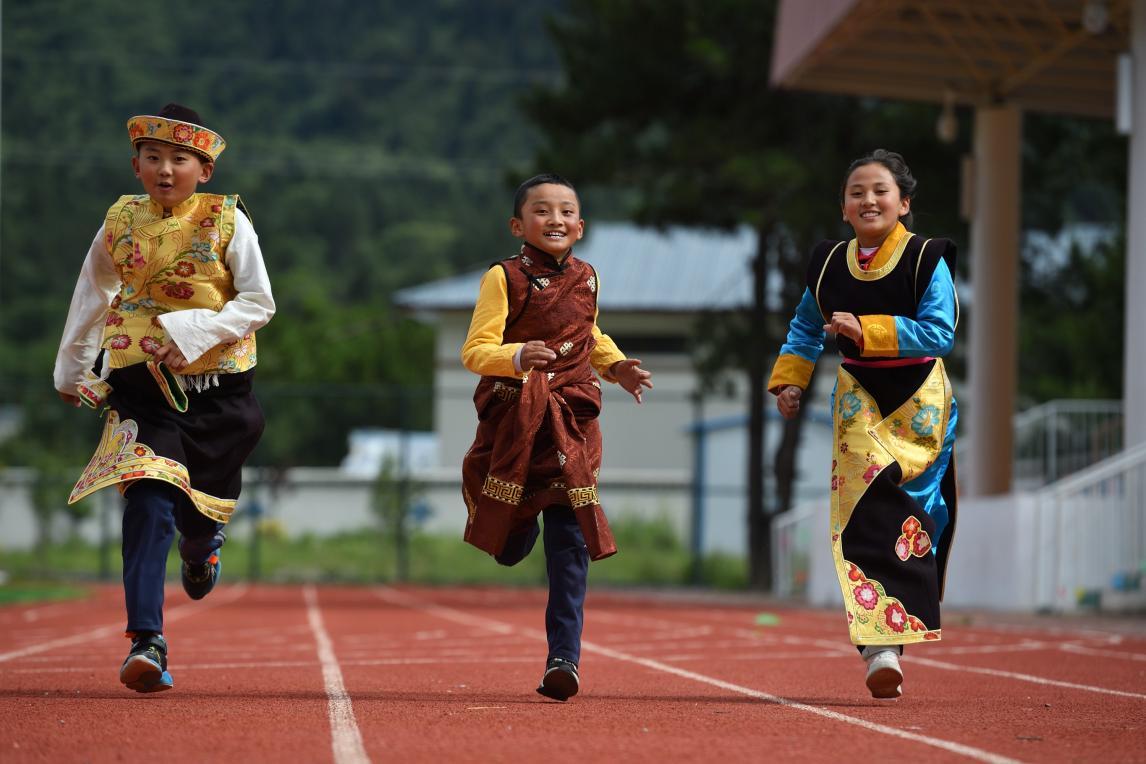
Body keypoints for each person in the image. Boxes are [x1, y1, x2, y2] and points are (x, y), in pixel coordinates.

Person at [53, 103, 275, 693]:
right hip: (141, 385)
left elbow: (258, 303)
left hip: (221, 392)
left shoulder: (229, 221)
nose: (166, 169)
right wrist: (73, 368)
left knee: (198, 515)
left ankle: (201, 549)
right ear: (136, 165)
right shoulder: (119, 221)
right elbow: (91, 291)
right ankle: (147, 639)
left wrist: (194, 332)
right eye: (154, 158)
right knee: (147, 500)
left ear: (204, 169)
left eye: (180, 159)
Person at [768, 149, 958, 700]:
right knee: (857, 510)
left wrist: (866, 329)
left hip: (921, 400)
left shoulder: (927, 260)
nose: (868, 200)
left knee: (913, 518)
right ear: (844, 209)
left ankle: (895, 634)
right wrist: (791, 381)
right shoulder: (828, 266)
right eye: (857, 192)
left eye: (880, 191)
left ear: (904, 204)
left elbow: (940, 333)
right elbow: (805, 328)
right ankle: (881, 648)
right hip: (858, 395)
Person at [460, 173, 653, 701]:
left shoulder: (589, 277)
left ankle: (563, 660)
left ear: (581, 226)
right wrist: (517, 357)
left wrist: (618, 369)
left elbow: (589, 335)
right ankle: (514, 528)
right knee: (511, 546)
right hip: (517, 422)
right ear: (518, 225)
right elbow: (476, 350)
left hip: (573, 422)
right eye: (542, 211)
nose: (556, 220)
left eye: (566, 211)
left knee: (570, 544)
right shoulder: (503, 277)